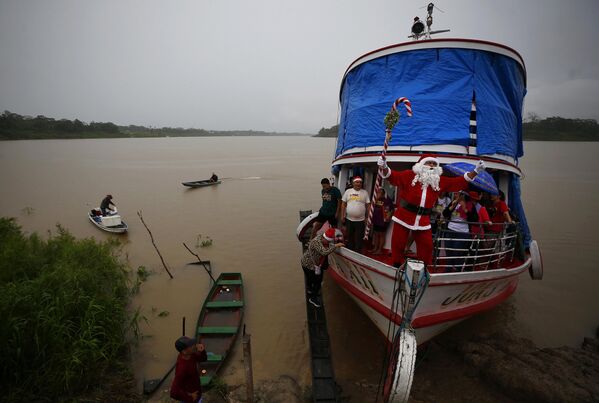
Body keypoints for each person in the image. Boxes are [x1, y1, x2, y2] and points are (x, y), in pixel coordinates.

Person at [377, 154, 485, 268]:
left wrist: (476, 171)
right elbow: (392, 176)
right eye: (429, 163)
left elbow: (458, 182)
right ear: (421, 164)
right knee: (398, 244)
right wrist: (384, 166)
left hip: (423, 220)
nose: (432, 165)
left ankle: (422, 269)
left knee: (427, 246)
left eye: (434, 164)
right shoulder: (409, 175)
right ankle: (396, 266)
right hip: (403, 215)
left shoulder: (438, 181)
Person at [300, 228, 344, 307]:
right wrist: (335, 246)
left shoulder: (322, 238)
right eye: (327, 242)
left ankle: (310, 290)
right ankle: (313, 299)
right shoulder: (316, 242)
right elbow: (324, 252)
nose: (328, 243)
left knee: (312, 280)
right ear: (324, 238)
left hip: (313, 264)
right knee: (317, 281)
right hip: (308, 265)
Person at [170, 336, 208, 403]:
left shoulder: (191, 355)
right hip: (191, 396)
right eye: (191, 345)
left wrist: (202, 351)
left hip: (196, 387)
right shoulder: (182, 368)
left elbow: (203, 359)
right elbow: (173, 393)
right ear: (184, 351)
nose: (194, 345)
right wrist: (190, 398)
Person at [445, 191, 474, 271]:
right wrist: (452, 206)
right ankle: (448, 270)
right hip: (450, 230)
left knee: (457, 253)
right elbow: (445, 213)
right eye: (454, 193)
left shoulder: (470, 204)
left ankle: (458, 270)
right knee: (449, 252)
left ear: (463, 195)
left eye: (457, 193)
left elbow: (474, 218)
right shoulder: (453, 202)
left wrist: (465, 209)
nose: (455, 195)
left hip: (462, 232)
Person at [341, 176, 370, 252]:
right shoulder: (348, 192)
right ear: (353, 183)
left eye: (360, 182)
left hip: (361, 220)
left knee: (359, 237)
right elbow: (343, 204)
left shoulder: (365, 192)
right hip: (349, 219)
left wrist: (367, 217)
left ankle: (358, 251)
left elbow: (368, 206)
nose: (358, 184)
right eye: (357, 182)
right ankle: (350, 250)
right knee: (349, 236)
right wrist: (342, 216)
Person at [369, 188, 394, 255]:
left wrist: (388, 217)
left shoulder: (387, 200)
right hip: (376, 219)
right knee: (376, 234)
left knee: (381, 235)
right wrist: (376, 198)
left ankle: (379, 250)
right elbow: (371, 206)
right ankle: (375, 248)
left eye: (379, 192)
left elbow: (391, 210)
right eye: (377, 192)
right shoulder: (375, 199)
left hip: (383, 221)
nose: (378, 193)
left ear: (383, 193)